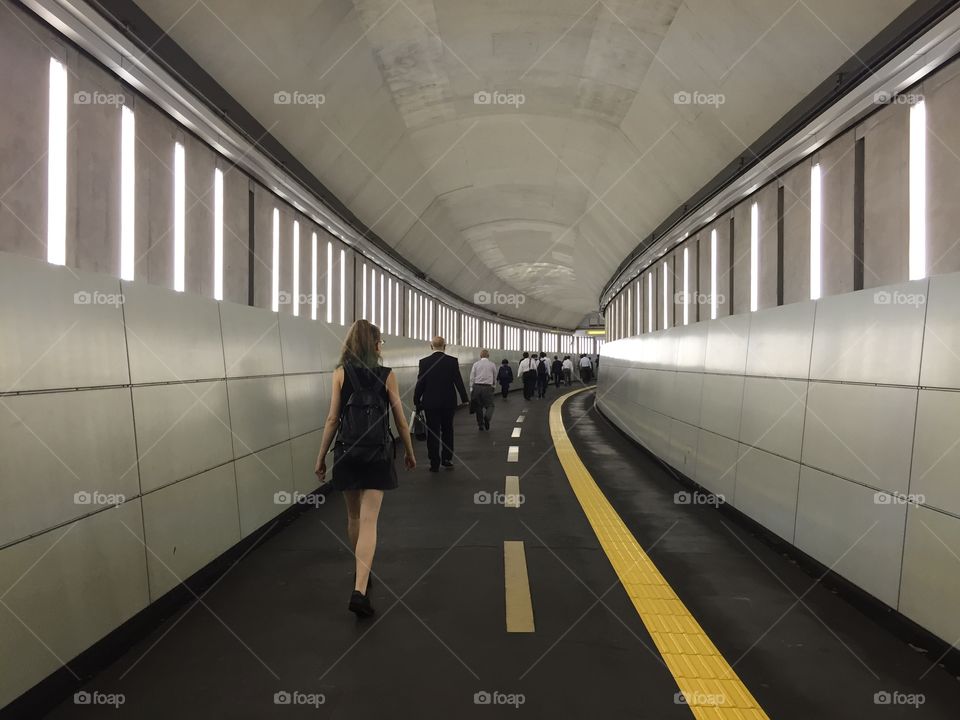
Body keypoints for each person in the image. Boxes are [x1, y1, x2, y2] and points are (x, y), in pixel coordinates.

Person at [314, 319, 416, 619]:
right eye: (379, 341)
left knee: (354, 516)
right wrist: (409, 453)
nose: (381, 345)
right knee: (370, 520)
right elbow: (399, 419)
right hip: (377, 454)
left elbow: (332, 420)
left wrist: (320, 458)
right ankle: (359, 589)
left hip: (346, 453)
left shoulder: (339, 374)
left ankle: (361, 567)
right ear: (374, 344)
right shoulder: (387, 375)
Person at [414, 336, 468, 472]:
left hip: (430, 403)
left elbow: (421, 383)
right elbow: (458, 381)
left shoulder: (424, 362)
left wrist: (416, 400)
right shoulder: (452, 361)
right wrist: (465, 398)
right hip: (448, 402)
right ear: (445, 346)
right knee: (448, 430)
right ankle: (447, 459)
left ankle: (434, 462)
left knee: (433, 432)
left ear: (431, 346)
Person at [469, 349, 497, 430]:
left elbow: (472, 376)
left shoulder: (476, 364)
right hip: (488, 387)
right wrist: (494, 386)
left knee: (478, 407)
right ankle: (487, 417)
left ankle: (480, 425)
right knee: (490, 405)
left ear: (480, 356)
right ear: (488, 356)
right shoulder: (492, 364)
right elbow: (495, 376)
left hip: (477, 387)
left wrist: (471, 388)